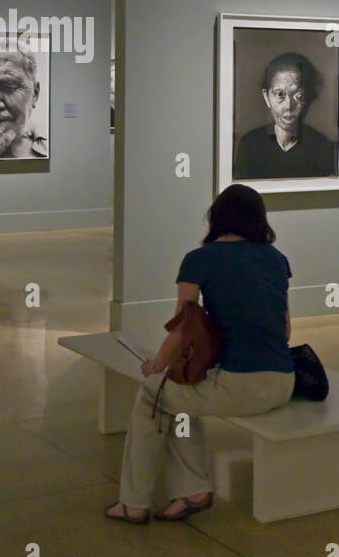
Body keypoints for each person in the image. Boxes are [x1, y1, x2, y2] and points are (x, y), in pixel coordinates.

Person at [105, 184, 296, 524]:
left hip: (239, 387)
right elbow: (284, 329)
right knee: (180, 399)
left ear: (217, 218)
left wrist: (155, 367)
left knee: (155, 392)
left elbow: (182, 329)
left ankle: (133, 502)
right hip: (283, 383)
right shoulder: (277, 259)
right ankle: (191, 489)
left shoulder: (198, 260)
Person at [233, 52, 337, 179]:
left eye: (299, 96)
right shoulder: (249, 144)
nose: (288, 106)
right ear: (266, 97)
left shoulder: (321, 147)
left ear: (309, 99)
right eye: (280, 94)